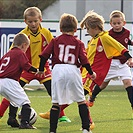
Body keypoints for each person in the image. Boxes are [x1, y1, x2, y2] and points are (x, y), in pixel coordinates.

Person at [0, 6, 70, 128]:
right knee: (12, 92)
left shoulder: (46, 33)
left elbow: (53, 48)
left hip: (43, 69)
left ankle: (61, 115)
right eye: (30, 21)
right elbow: (13, 53)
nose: (33, 24)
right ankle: (6, 115)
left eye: (35, 21)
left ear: (40, 20)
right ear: (25, 21)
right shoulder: (22, 35)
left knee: (53, 91)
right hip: (26, 70)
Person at [37, 13, 96, 133]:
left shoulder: (55, 40)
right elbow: (84, 60)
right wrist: (91, 72)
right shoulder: (78, 42)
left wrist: (41, 69)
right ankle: (86, 128)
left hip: (58, 69)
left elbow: (44, 56)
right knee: (80, 100)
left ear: (60, 29)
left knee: (56, 103)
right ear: (75, 29)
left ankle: (52, 130)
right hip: (72, 69)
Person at [80, 10, 133, 116]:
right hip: (111, 63)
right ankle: (93, 96)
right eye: (114, 23)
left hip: (123, 64)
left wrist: (129, 58)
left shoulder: (127, 33)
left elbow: (125, 43)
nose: (117, 25)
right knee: (103, 84)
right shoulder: (108, 35)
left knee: (128, 83)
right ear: (111, 23)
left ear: (124, 23)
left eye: (119, 23)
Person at [0, 33, 38, 129]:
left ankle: (12, 119)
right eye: (26, 48)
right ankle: (25, 123)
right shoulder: (19, 53)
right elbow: (26, 65)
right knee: (25, 102)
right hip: (10, 81)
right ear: (24, 45)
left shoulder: (7, 54)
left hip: (1, 80)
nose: (26, 50)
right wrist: (36, 71)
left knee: (14, 101)